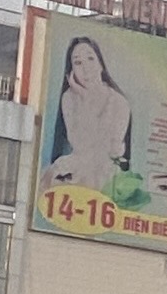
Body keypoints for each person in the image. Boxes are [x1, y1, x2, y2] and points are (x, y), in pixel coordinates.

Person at [43, 34, 137, 190]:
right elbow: (78, 144)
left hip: (107, 171)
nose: (85, 68)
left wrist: (88, 100)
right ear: (71, 71)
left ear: (101, 64)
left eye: (90, 59)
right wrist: (86, 98)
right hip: (78, 165)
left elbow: (109, 150)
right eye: (78, 62)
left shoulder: (119, 102)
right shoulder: (69, 98)